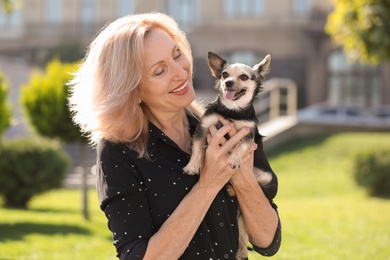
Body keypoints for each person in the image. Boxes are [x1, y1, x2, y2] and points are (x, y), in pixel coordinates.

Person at [68, 13, 281, 259]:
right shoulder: (119, 151)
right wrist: (209, 184)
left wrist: (242, 178)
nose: (181, 73)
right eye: (160, 71)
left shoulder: (224, 126)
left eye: (177, 54)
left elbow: (268, 241)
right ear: (131, 90)